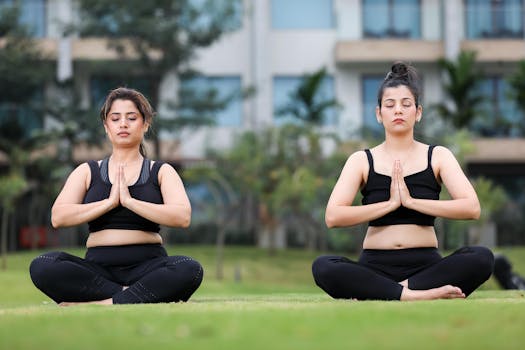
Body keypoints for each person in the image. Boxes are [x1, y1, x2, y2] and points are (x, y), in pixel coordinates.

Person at [312, 62, 494, 301]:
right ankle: (415, 294)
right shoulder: (361, 160)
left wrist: (411, 202)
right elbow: (333, 216)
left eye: (406, 104)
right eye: (390, 105)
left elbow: (471, 208)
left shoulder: (438, 156)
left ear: (418, 113)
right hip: (374, 265)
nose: (398, 110)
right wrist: (389, 204)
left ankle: (389, 291)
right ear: (379, 114)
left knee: (482, 258)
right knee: (323, 266)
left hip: (425, 266)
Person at [30, 87, 203, 305]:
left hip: (147, 267)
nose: (123, 124)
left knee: (189, 268)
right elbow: (59, 217)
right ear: (106, 126)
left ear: (145, 124)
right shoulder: (87, 171)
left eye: (132, 118)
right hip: (98, 272)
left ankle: (104, 302)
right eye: (115, 118)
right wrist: (109, 203)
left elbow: (182, 216)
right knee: (43, 264)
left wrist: (130, 202)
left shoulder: (160, 171)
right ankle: (133, 295)